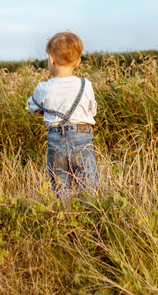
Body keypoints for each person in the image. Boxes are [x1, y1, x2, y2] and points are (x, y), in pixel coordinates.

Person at [26, 31, 98, 197]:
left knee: (60, 185)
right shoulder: (85, 85)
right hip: (82, 137)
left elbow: (31, 106)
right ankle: (87, 216)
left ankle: (64, 217)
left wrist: (45, 110)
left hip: (56, 139)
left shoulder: (43, 88)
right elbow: (91, 110)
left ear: (51, 59)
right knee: (87, 184)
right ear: (78, 61)